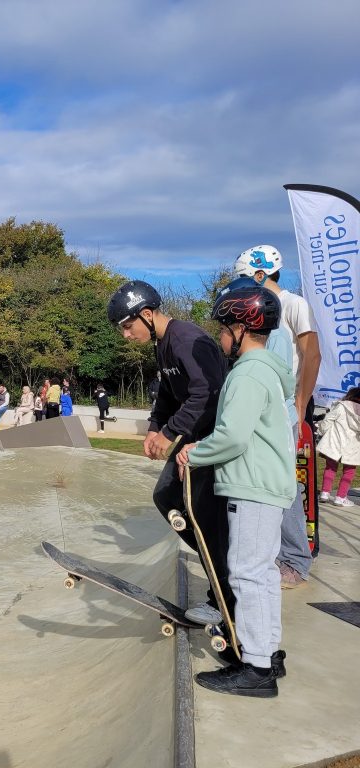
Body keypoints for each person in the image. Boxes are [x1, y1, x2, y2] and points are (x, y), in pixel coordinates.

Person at [176, 282, 295, 697]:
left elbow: (233, 437)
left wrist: (193, 452)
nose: (222, 337)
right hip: (265, 485)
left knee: (246, 574)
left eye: (225, 329)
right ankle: (266, 654)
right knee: (260, 575)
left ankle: (257, 670)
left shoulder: (248, 373)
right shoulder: (269, 371)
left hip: (253, 486)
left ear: (244, 328)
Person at [107, 279, 233, 625]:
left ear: (147, 314)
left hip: (210, 444)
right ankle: (222, 568)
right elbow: (167, 394)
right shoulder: (163, 345)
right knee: (167, 497)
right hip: (193, 440)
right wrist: (154, 426)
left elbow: (207, 394)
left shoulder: (189, 340)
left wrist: (171, 433)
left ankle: (224, 590)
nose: (126, 336)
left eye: (128, 326)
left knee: (205, 521)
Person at [234, 245, 319, 587]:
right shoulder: (255, 309)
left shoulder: (292, 304)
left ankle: (296, 559)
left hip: (288, 404)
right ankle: (272, 551)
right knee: (264, 477)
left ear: (260, 274)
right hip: (266, 402)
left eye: (244, 279)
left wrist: (300, 406)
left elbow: (311, 355)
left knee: (283, 479)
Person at [316, 387, 360, 508]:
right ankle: (340, 497)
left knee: (330, 468)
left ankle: (325, 493)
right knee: (349, 472)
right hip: (353, 445)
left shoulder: (341, 406)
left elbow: (327, 420)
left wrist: (322, 431)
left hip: (335, 441)